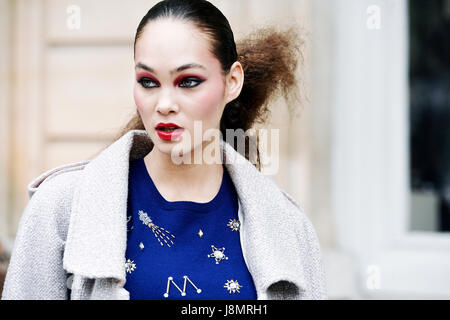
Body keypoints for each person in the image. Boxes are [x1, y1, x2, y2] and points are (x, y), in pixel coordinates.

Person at [2, 0, 327, 300]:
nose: (164, 104)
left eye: (187, 81)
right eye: (148, 81)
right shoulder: (61, 208)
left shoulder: (287, 227)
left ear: (232, 82)